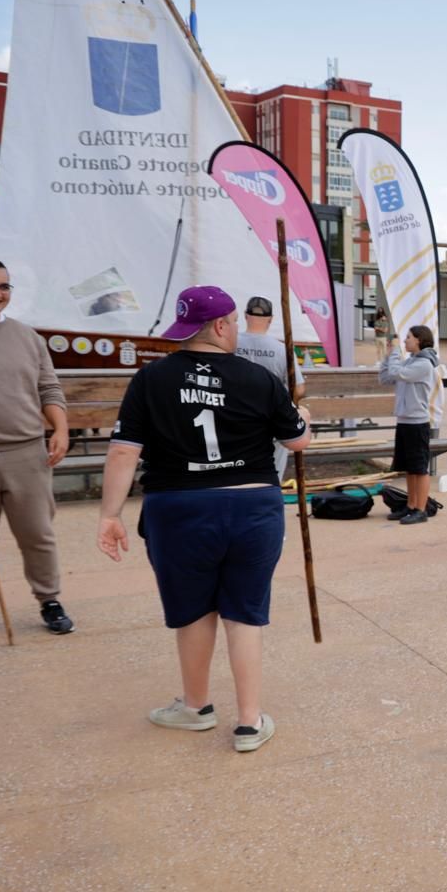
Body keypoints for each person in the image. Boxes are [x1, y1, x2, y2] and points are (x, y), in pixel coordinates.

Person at [96, 285, 312, 752]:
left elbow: (122, 452)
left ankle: (196, 707)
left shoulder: (151, 379)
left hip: (179, 508)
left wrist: (109, 514)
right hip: (252, 507)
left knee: (193, 610)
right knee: (245, 612)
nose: (235, 330)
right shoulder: (258, 379)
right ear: (220, 326)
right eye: (233, 323)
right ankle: (250, 722)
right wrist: (304, 416)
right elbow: (297, 441)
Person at [0, 256, 75, 646]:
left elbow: (49, 388)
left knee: (38, 534)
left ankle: (50, 601)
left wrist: (59, 428)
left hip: (27, 450)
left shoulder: (29, 337)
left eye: (4, 286)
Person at [234, 296, 307, 484]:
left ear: (245, 316)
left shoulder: (231, 344)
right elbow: (298, 389)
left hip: (233, 419)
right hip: (270, 421)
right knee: (271, 473)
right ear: (271, 319)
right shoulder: (281, 350)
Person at [378, 325, 441, 525]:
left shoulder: (423, 365)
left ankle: (420, 509)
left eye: (408, 338)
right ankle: (410, 505)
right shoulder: (411, 361)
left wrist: (396, 351)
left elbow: (398, 372)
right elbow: (386, 377)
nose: (405, 341)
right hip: (404, 421)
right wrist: (388, 356)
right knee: (409, 468)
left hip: (417, 423)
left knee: (420, 468)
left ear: (419, 340)